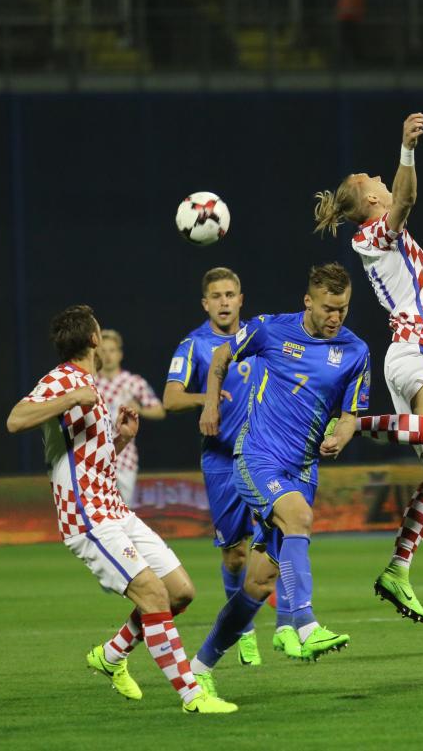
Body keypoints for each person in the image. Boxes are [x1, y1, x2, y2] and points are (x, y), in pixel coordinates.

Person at [5, 304, 235, 714]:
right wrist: (69, 397)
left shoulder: (89, 384)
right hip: (87, 516)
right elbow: (15, 419)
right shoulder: (64, 379)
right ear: (94, 339)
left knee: (180, 592)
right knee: (153, 594)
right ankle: (192, 696)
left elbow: (88, 459)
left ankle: (111, 656)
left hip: (114, 509)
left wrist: (122, 438)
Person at [186, 264, 371, 698]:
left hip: (303, 470)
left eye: (342, 309)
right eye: (328, 308)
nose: (335, 317)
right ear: (308, 302)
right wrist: (210, 404)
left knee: (257, 584)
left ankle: (199, 667)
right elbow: (221, 355)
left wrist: (342, 436)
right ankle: (305, 624)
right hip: (257, 458)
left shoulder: (356, 351)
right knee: (299, 517)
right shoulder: (270, 329)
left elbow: (351, 415)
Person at [312, 112, 423, 624]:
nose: (377, 176)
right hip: (417, 349)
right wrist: (406, 149)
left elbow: (403, 200)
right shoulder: (373, 235)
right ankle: (355, 423)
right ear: (372, 199)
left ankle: (398, 569)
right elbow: (407, 198)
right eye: (370, 178)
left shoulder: (379, 235)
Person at [163, 267, 280, 666]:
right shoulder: (193, 345)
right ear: (205, 303)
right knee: (235, 556)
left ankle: (294, 620)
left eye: (230, 294)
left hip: (263, 457)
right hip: (220, 460)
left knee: (278, 538)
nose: (224, 302)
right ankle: (242, 629)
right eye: (216, 296)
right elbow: (171, 398)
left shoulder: (259, 337)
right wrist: (207, 399)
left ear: (241, 299)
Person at [95, 328, 165, 508]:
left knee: (124, 512)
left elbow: (159, 411)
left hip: (125, 459)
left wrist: (140, 409)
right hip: (95, 459)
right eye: (103, 351)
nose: (108, 356)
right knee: (98, 513)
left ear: (120, 354)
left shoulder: (133, 382)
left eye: (112, 350)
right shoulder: (91, 383)